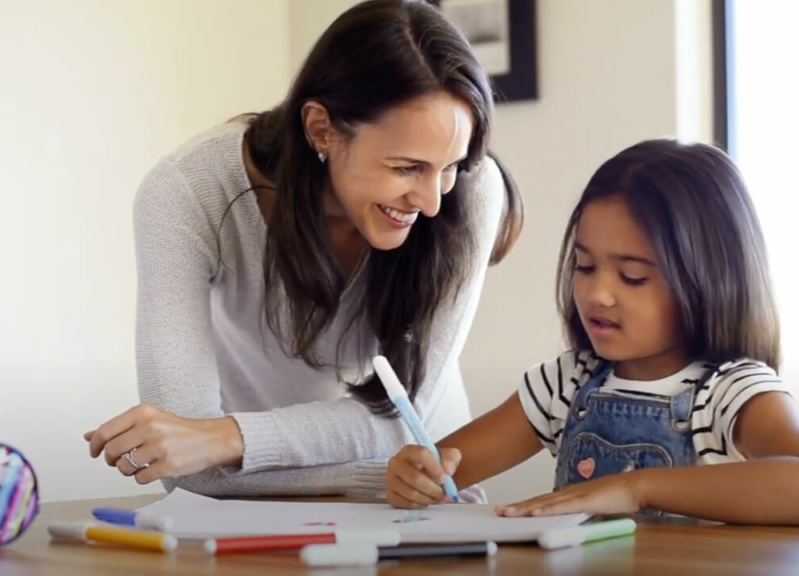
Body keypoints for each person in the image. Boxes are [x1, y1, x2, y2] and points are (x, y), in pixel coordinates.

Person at [83, 0, 522, 498]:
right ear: (321, 129)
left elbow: (404, 420)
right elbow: (187, 468)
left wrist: (227, 438)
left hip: (426, 495)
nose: (430, 201)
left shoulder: (474, 188)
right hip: (252, 506)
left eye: (449, 166)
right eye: (405, 167)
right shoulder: (187, 192)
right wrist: (375, 478)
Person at [386, 139, 799, 524]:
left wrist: (636, 489)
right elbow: (443, 469)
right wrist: (415, 476)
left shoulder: (733, 392)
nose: (598, 294)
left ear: (710, 279)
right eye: (585, 266)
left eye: (633, 276)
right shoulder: (566, 383)